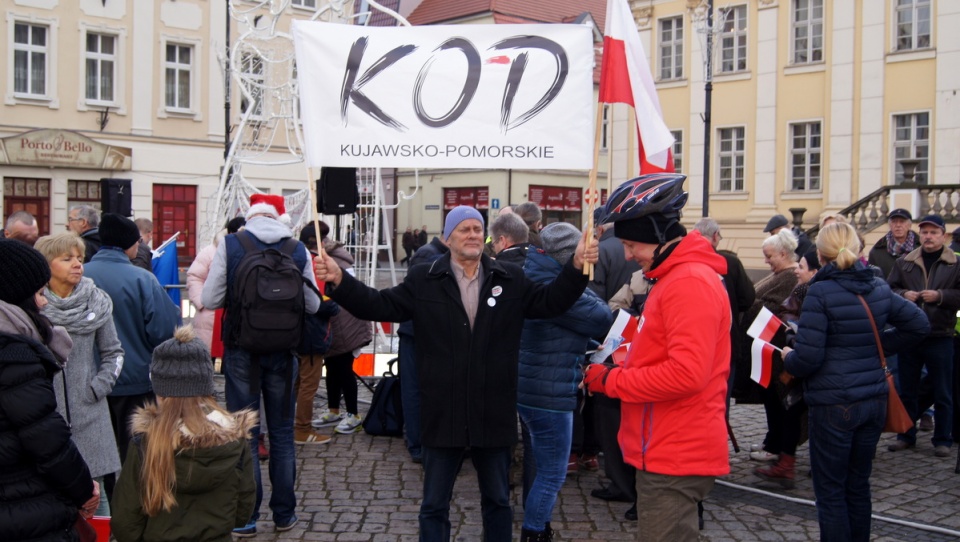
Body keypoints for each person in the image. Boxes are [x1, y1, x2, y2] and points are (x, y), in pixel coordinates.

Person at [313, 204, 598, 542]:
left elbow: (552, 301)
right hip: (443, 413)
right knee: (434, 504)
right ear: (448, 239)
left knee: (497, 501)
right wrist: (340, 280)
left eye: (478, 229)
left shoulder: (510, 278)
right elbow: (378, 304)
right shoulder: (424, 279)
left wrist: (578, 267)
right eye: (464, 229)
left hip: (492, 412)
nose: (473, 234)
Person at [582, 173, 731, 542]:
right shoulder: (675, 278)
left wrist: (612, 380)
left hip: (674, 452)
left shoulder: (688, 282)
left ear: (660, 237)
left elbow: (686, 374)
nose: (628, 255)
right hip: (666, 446)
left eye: (633, 244)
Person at [782, 222, 929, 542]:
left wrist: (786, 356)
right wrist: (874, 347)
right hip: (873, 400)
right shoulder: (876, 285)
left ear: (820, 255)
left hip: (835, 403)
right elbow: (919, 324)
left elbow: (807, 360)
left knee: (832, 491)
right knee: (858, 485)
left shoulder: (821, 290)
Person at [201, 193, 321, 537]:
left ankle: (247, 517)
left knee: (245, 435)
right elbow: (312, 304)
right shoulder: (296, 249)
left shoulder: (232, 243)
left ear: (249, 215)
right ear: (279, 216)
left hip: (242, 352)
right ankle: (284, 514)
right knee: (282, 434)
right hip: (284, 353)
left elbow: (209, 299)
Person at [111, 325, 257, 542]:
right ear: (206, 386)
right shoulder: (234, 439)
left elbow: (125, 521)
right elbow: (243, 511)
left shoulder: (146, 444)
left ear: (159, 391)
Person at [0, 238, 100, 541]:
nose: (43, 302)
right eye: (39, 293)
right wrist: (83, 489)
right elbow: (47, 439)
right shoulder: (13, 355)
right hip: (22, 504)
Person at [518, 222, 612, 541]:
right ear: (567, 257)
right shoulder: (554, 286)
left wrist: (579, 333)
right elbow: (601, 318)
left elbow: (573, 325)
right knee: (552, 474)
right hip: (549, 393)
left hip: (533, 386)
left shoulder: (534, 274)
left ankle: (538, 527)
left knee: (541, 466)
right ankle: (535, 533)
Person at [36, 232, 125, 514]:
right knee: (48, 493)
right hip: (43, 414)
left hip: (90, 413)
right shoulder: (31, 307)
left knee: (95, 494)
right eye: (67, 258)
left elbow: (114, 352)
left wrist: (98, 387)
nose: (77, 264)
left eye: (80, 258)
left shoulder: (97, 302)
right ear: (46, 264)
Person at [85, 213, 181, 468]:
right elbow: (164, 330)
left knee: (96, 460)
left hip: (89, 382)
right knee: (136, 458)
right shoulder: (142, 279)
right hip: (134, 380)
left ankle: (102, 506)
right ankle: (132, 506)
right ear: (128, 243)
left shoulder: (80, 276)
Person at [886, 214, 959, 457]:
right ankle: (906, 434)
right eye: (925, 232)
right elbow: (889, 289)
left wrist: (940, 296)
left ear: (943, 236)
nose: (928, 237)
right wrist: (903, 293)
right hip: (910, 335)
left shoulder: (955, 264)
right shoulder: (904, 262)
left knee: (943, 390)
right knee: (907, 388)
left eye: (934, 232)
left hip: (941, 334)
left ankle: (943, 439)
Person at [307, 221, 371, 436]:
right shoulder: (332, 257)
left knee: (344, 370)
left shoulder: (333, 262)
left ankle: (354, 415)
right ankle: (333, 409)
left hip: (346, 324)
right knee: (333, 368)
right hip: (335, 323)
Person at [391, 228, 450, 463]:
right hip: (416, 332)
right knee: (415, 390)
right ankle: (417, 444)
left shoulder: (435, 252)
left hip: (423, 332)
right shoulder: (429, 255)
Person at [742, 230, 799, 461]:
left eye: (769, 256)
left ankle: (777, 446)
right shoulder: (780, 274)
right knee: (771, 400)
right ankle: (772, 440)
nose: (766, 261)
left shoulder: (790, 277)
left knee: (779, 402)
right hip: (768, 350)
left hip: (778, 352)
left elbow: (774, 309)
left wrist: (748, 301)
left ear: (783, 254)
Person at [694, 218, 756, 410]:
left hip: (695, 342)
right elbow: (747, 299)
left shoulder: (686, 261)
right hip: (727, 340)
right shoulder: (730, 262)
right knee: (721, 401)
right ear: (714, 237)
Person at [868, 208, 920, 280]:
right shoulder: (877, 252)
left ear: (909, 225)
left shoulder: (921, 248)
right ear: (890, 225)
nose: (898, 225)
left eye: (902, 222)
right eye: (894, 222)